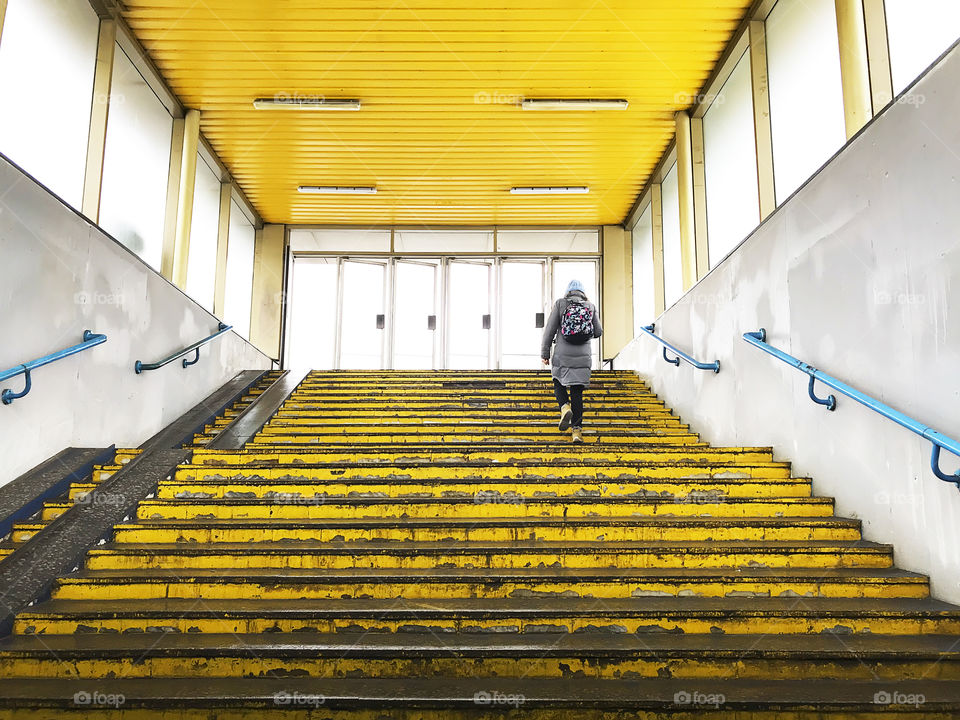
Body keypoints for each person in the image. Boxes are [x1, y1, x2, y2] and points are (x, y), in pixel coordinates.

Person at [541, 279, 603, 442]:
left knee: (558, 381)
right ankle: (577, 431)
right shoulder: (590, 306)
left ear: (568, 292)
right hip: (583, 356)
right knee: (577, 391)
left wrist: (545, 352)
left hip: (562, 353)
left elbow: (549, 330)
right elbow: (598, 331)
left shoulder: (560, 304)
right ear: (583, 292)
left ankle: (564, 406)